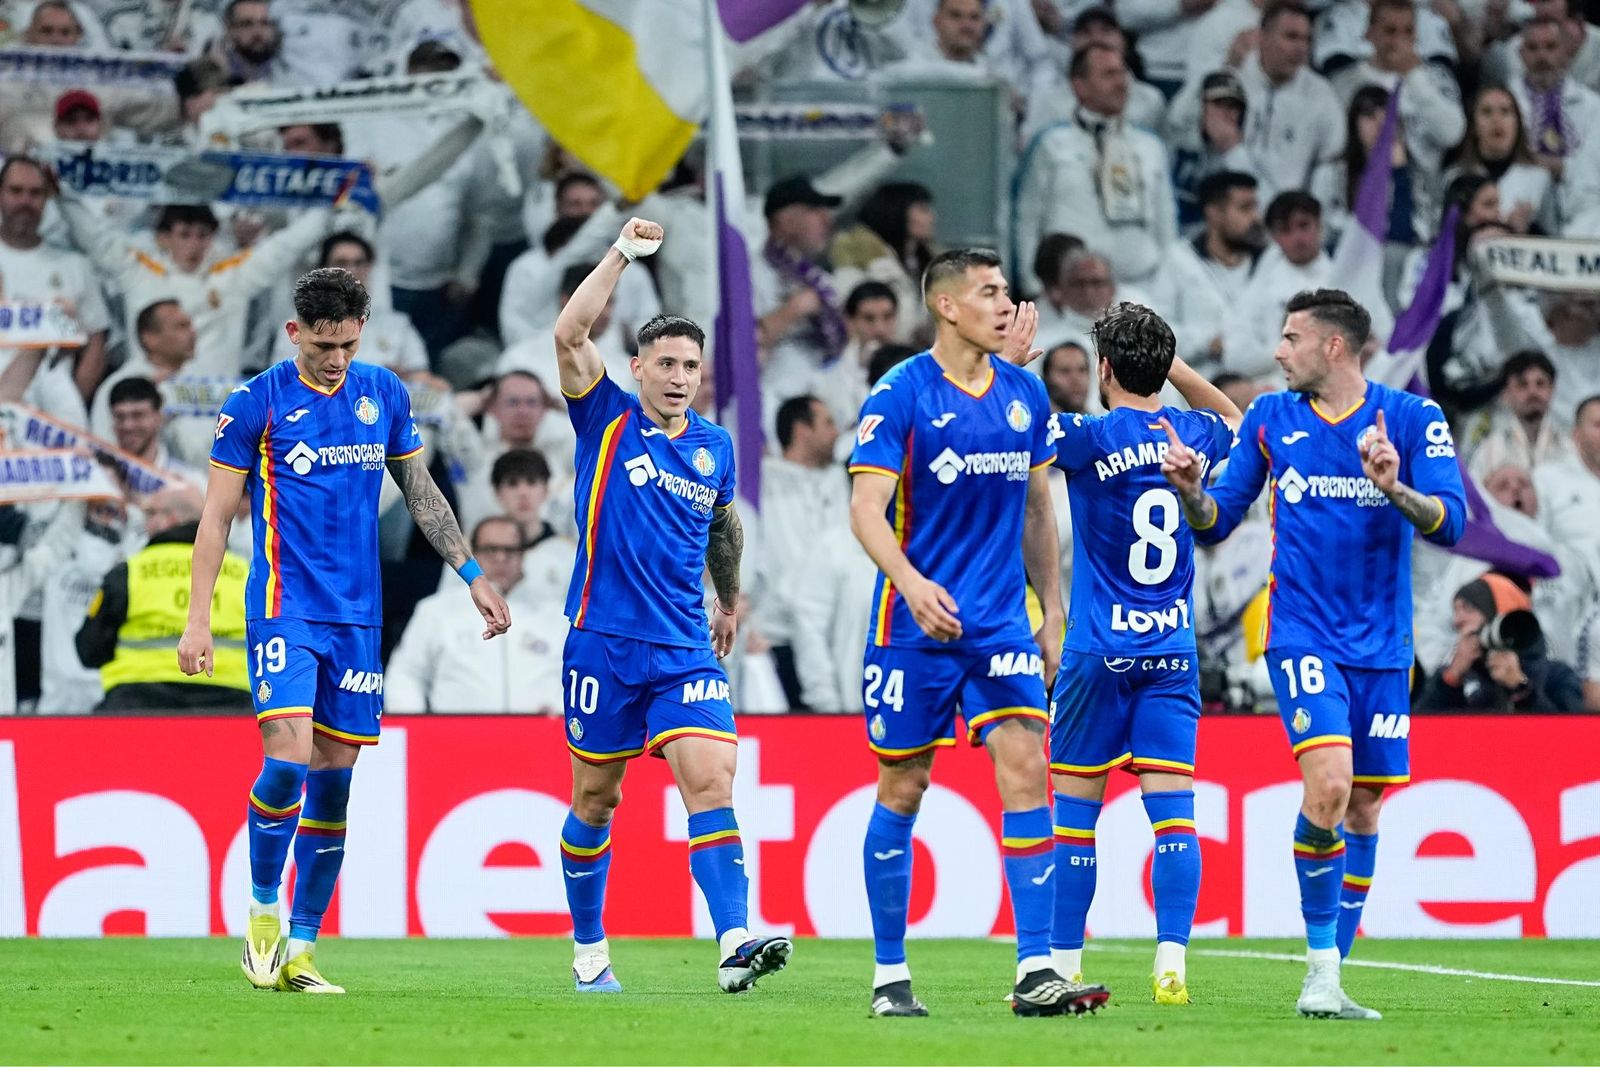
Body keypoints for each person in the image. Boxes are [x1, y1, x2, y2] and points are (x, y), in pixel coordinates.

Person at [177, 267, 511, 993]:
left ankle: (300, 948)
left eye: (347, 345)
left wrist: (471, 573)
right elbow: (216, 517)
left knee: (333, 788)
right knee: (288, 760)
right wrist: (198, 618)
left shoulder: (384, 392)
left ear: (363, 332)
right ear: (295, 331)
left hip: (360, 617)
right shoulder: (254, 401)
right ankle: (263, 908)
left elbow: (420, 491)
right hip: (285, 605)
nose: (335, 358)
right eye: (323, 344)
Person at [1161, 288, 1467, 1018]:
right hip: (1301, 633)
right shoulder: (1270, 418)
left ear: (1333, 346)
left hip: (1385, 648)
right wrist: (1193, 492)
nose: (1278, 350)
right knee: (1329, 784)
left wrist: (1395, 489)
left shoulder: (1415, 420)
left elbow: (1451, 521)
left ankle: (1330, 976)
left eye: (1291, 337)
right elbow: (1215, 521)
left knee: (1363, 808)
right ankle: (1320, 971)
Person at [847, 249, 1107, 1018]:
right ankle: (890, 975)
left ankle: (1035, 970)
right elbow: (866, 509)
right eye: (990, 292)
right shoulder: (899, 395)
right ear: (947, 307)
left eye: (1006, 289)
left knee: (1028, 767)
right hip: (912, 626)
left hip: (998, 623)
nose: (1006, 303)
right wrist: (911, 582)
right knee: (905, 783)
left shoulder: (1026, 393)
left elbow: (1036, 510)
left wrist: (1053, 609)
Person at [550, 218, 792, 995]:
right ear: (638, 367)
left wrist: (726, 597)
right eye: (666, 363)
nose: (681, 375)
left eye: (691, 364)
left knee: (712, 780)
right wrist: (621, 251)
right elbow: (568, 329)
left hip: (684, 646)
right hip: (603, 643)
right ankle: (589, 949)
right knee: (597, 795)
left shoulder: (714, 447)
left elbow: (723, 523)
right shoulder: (608, 417)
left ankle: (733, 940)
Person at [1045, 304, 1242, 1004]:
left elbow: (1015, 436)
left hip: (1096, 651)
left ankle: (1063, 967)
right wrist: (1175, 367)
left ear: (1101, 369)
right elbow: (1241, 425)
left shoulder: (1087, 435)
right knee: (1174, 815)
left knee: (1073, 819)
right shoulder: (1193, 432)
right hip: (1171, 653)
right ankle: (1172, 961)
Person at [77, 485, 249, 711]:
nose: (146, 524)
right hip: (232, 707)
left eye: (152, 514)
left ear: (171, 519)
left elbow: (89, 650)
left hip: (138, 705)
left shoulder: (131, 572)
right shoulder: (245, 573)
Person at [386, 517, 567, 713]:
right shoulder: (437, 611)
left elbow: (579, 673)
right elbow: (406, 672)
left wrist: (560, 711)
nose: (500, 558)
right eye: (490, 550)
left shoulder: (556, 616)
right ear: (473, 553)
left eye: (510, 550)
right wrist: (416, 726)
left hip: (542, 735)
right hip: (453, 737)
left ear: (524, 553)